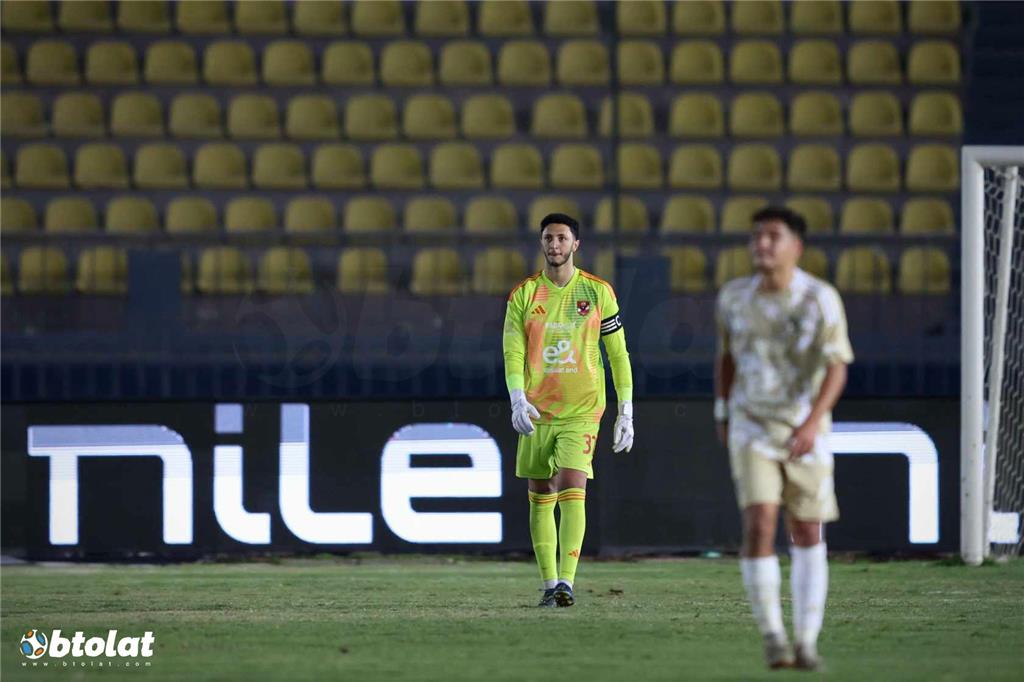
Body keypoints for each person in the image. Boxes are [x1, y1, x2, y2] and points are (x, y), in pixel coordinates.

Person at [714, 206, 853, 670]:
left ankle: (807, 640)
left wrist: (813, 422)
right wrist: (722, 410)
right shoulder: (734, 297)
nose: (762, 244)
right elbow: (726, 357)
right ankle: (774, 636)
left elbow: (837, 366)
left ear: (797, 246)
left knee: (808, 528)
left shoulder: (820, 298)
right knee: (759, 523)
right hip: (752, 424)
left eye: (773, 236)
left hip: (803, 427)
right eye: (756, 235)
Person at [502, 213, 634, 608]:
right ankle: (548, 583)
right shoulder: (524, 295)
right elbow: (513, 352)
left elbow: (618, 354)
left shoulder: (597, 292)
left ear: (576, 244)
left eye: (562, 238)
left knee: (574, 485)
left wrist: (626, 410)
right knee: (541, 492)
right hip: (537, 409)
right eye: (548, 238)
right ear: (541, 243)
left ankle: (567, 583)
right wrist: (517, 398)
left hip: (583, 409)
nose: (555, 245)